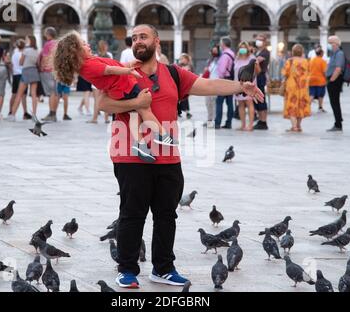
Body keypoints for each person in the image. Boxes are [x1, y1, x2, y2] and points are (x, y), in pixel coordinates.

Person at [97, 24, 263, 289]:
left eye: (143, 36)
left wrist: (239, 87)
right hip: (130, 154)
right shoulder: (125, 73)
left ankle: (163, 268)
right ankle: (127, 269)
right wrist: (136, 104)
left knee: (166, 215)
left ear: (156, 41)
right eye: (134, 37)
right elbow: (103, 104)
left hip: (168, 156)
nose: (137, 41)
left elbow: (208, 84)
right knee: (132, 213)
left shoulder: (173, 73)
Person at [54, 31, 178, 163]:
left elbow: (114, 67)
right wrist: (128, 71)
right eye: (83, 44)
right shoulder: (89, 65)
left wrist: (130, 64)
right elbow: (110, 70)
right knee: (144, 108)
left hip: (121, 89)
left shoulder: (90, 62)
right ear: (76, 53)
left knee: (134, 114)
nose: (88, 45)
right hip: (124, 88)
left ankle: (140, 144)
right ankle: (161, 134)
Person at [7, 35, 40, 121]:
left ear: (29, 41)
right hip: (34, 71)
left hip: (26, 71)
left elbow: (21, 62)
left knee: (19, 94)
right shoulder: (37, 51)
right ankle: (34, 115)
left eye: (26, 39)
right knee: (34, 95)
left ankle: (13, 115)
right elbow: (38, 63)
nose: (25, 40)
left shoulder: (25, 50)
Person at [282, 44, 311, 132]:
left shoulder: (289, 61)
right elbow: (309, 73)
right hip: (302, 87)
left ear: (293, 52)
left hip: (292, 86)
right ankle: (298, 125)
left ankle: (294, 127)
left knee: (292, 105)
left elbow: (285, 73)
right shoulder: (306, 61)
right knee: (300, 105)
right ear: (302, 52)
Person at [234, 41, 259, 131]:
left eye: (244, 47)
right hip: (238, 83)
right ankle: (243, 125)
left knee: (249, 102)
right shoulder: (237, 58)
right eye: (241, 47)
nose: (243, 49)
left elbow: (257, 71)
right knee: (240, 104)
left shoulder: (252, 58)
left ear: (247, 48)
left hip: (249, 83)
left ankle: (250, 125)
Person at [326, 35, 345, 132]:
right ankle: (337, 121)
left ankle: (338, 124)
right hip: (332, 79)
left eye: (330, 43)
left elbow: (338, 69)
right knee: (334, 102)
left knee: (335, 102)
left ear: (336, 44)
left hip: (335, 80)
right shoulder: (333, 54)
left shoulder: (339, 54)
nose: (328, 45)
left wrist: (331, 80)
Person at [215, 36, 235, 129]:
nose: (219, 44)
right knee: (229, 102)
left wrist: (219, 80)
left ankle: (217, 122)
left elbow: (222, 70)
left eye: (220, 42)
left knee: (219, 102)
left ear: (223, 44)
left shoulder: (225, 55)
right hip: (230, 79)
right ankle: (229, 122)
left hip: (224, 80)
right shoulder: (232, 54)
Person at [40, 27, 59, 122]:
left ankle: (51, 114)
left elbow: (45, 57)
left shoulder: (47, 44)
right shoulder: (57, 43)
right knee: (55, 93)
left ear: (48, 34)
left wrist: (41, 67)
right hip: (56, 71)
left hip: (48, 70)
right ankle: (54, 113)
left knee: (51, 93)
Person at [10, 39, 32, 119]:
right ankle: (25, 113)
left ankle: (10, 111)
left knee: (14, 94)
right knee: (23, 96)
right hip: (22, 75)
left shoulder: (14, 54)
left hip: (15, 75)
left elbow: (12, 65)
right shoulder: (23, 54)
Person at [253, 33, 270, 130]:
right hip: (256, 76)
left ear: (264, 42)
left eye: (260, 39)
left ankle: (263, 120)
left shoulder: (265, 52)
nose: (258, 41)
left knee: (261, 97)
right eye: (257, 39)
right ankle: (260, 119)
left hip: (260, 76)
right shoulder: (257, 51)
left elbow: (257, 61)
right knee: (256, 98)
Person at [202, 45, 220, 128]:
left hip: (215, 84)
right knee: (208, 103)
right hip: (208, 83)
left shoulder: (220, 60)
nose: (214, 52)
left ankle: (215, 121)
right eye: (213, 51)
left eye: (216, 51)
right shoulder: (210, 60)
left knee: (214, 103)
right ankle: (209, 120)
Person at [309, 47, 328, 112]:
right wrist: (327, 79)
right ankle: (320, 107)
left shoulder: (311, 60)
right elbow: (324, 71)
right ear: (321, 53)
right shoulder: (323, 61)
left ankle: (307, 107)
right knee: (321, 95)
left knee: (311, 94)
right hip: (320, 81)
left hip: (311, 80)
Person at [177, 53, 193, 119]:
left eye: (182, 59)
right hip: (179, 85)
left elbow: (191, 76)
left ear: (186, 59)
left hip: (186, 85)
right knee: (178, 99)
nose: (181, 60)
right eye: (180, 59)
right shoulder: (178, 66)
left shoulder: (189, 67)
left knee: (184, 99)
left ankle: (186, 112)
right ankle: (179, 111)